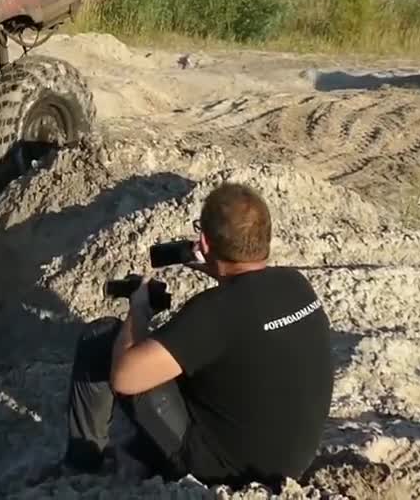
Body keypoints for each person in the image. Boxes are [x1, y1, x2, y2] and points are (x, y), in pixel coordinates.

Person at [56, 182, 333, 490]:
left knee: (103, 338)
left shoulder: (214, 312)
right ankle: (144, 453)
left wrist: (139, 311)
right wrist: (217, 266)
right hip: (288, 464)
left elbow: (125, 378)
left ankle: (80, 466)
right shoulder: (295, 284)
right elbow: (247, 314)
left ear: (203, 241)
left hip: (226, 473)